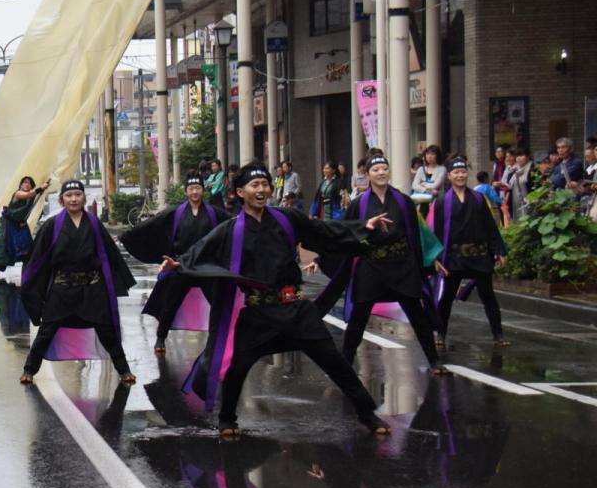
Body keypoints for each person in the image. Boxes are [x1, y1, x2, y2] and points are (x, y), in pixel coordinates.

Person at [161, 163, 393, 438]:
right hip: (258, 311)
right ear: (240, 192)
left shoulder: (287, 218)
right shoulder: (229, 230)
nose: (261, 190)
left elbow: (325, 231)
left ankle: (367, 413)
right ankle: (227, 418)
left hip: (295, 308)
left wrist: (362, 228)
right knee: (237, 367)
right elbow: (201, 251)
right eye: (254, 186)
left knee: (336, 362)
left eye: (265, 185)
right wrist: (178, 264)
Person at [316, 154, 448, 374]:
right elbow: (345, 231)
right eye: (376, 169)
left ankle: (434, 361)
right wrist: (321, 257)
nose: (381, 173)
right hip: (371, 265)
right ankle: (345, 364)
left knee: (417, 314)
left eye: (384, 168)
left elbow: (419, 233)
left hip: (402, 265)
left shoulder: (404, 201)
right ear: (367, 174)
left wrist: (431, 258)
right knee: (359, 317)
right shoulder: (360, 203)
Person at [20, 179, 137, 384]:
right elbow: (37, 257)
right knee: (46, 331)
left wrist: (121, 279)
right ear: (61, 199)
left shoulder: (93, 223)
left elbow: (109, 253)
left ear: (84, 197)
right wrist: (29, 281)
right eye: (69, 195)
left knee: (107, 330)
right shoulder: (52, 225)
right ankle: (29, 370)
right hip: (62, 289)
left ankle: (123, 370)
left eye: (77, 195)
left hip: (92, 288)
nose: (73, 199)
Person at [121, 172, 229, 353]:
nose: (195, 192)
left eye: (198, 188)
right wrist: (127, 235)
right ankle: (161, 338)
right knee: (170, 303)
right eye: (191, 188)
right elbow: (152, 224)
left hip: (205, 266)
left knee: (219, 302)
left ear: (203, 190)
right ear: (186, 191)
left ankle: (222, 336)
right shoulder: (176, 212)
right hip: (181, 266)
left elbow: (233, 223)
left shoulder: (213, 212)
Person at [429, 156, 508, 347]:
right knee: (446, 298)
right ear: (449, 175)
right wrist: (436, 258)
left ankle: (498, 334)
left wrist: (498, 249)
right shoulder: (441, 201)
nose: (460, 175)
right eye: (456, 172)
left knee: (488, 296)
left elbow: (490, 226)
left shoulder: (479, 198)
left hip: (479, 255)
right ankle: (440, 333)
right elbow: (436, 232)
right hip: (454, 257)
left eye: (463, 171)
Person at [0, 175, 49, 277]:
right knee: (3, 246)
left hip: (21, 223)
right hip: (7, 223)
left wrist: (43, 188)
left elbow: (29, 208)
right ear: (21, 184)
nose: (27, 184)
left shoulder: (32, 195)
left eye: (29, 183)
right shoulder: (18, 193)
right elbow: (28, 195)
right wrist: (40, 188)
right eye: (25, 182)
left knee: (27, 245)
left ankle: (29, 268)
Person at [504, 147, 533, 221]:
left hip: (530, 204)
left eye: (522, 155)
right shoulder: (514, 172)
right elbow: (510, 187)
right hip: (516, 205)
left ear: (528, 156)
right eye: (517, 156)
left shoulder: (532, 170)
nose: (519, 158)